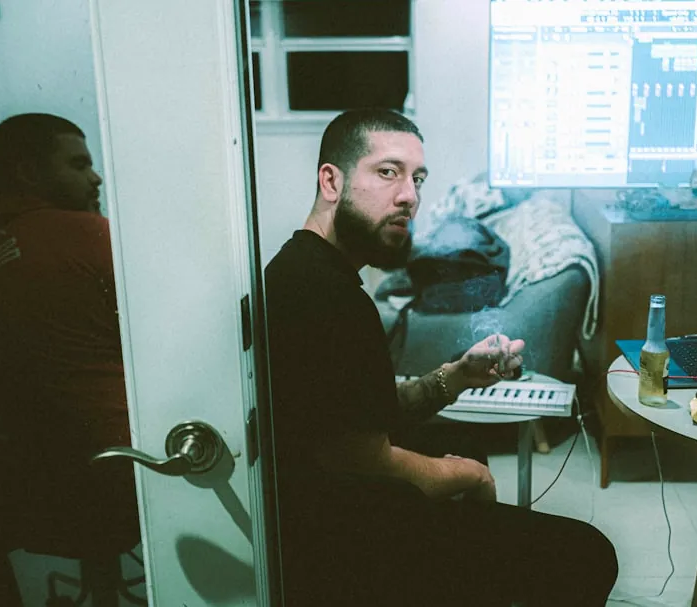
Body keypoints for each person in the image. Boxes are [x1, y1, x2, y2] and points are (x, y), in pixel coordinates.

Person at [264, 108, 619, 606]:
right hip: (345, 544)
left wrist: (458, 375)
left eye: (417, 179)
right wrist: (466, 474)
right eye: (388, 172)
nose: (409, 196)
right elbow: (362, 460)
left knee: (462, 438)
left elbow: (368, 409)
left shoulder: (318, 271)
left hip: (349, 508)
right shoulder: (324, 296)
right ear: (331, 181)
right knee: (590, 554)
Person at [0, 113, 137, 606]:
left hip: (15, 474)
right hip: (107, 471)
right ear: (29, 174)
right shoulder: (81, 233)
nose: (96, 176)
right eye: (79, 164)